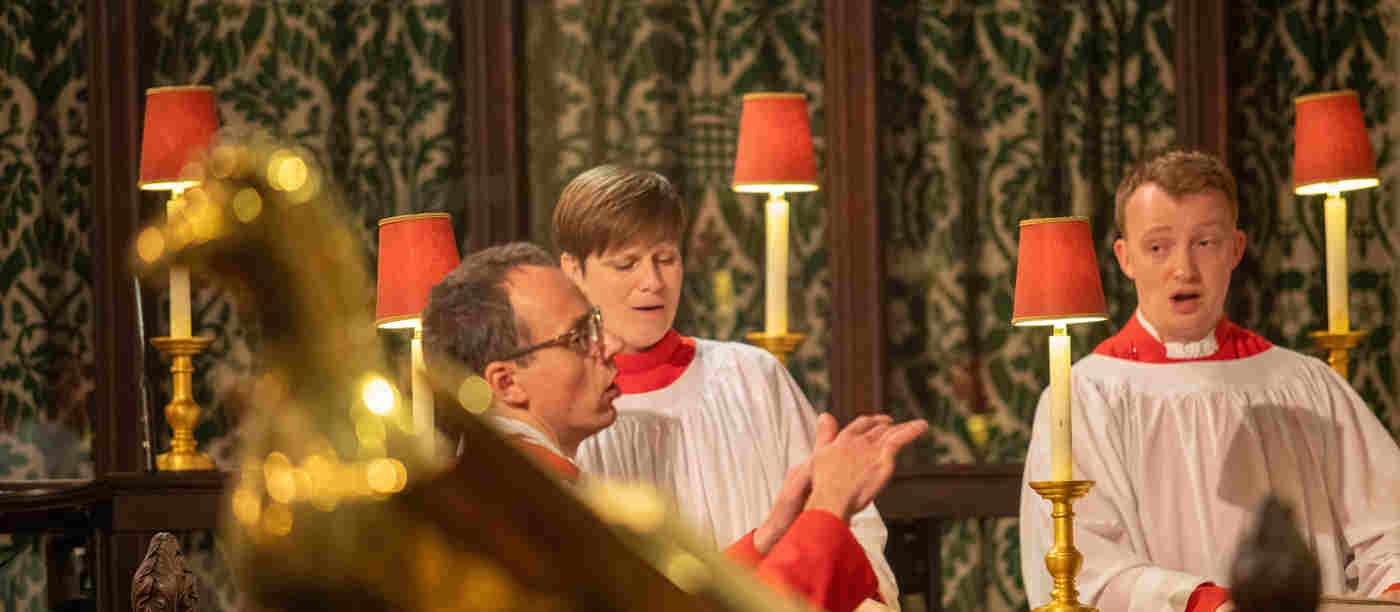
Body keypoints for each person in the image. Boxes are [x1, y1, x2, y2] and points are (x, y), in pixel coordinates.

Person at [421, 242, 928, 612]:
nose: (610, 346)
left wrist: (774, 533)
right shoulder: (525, 509)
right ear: (507, 382)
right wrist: (828, 508)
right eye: (580, 335)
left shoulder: (517, 485)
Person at [1018, 151, 1400, 612]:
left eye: (1205, 243)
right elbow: (1086, 568)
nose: (1184, 269)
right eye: (1158, 247)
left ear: (1236, 249)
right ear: (1125, 258)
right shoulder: (1084, 398)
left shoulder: (1306, 383)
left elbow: (1389, 530)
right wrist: (1203, 603)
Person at [551, 165, 901, 607]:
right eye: (626, 263)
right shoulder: (565, 409)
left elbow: (844, 526)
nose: (652, 282)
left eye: (665, 258)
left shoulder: (748, 376)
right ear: (573, 270)